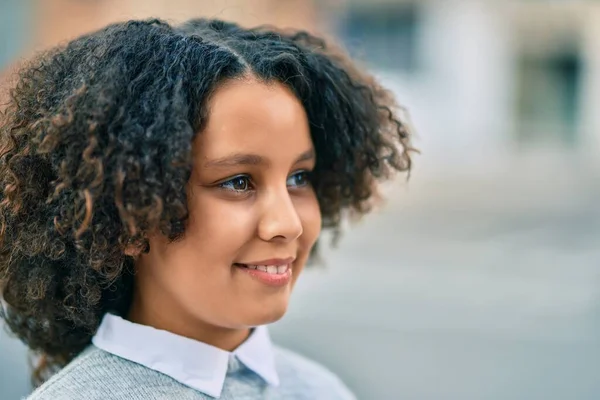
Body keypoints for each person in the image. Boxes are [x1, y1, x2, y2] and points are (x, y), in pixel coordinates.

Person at [0, 18, 413, 400]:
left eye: (298, 178)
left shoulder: (323, 391)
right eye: (238, 182)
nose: (288, 223)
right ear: (128, 213)